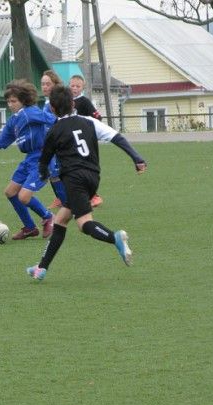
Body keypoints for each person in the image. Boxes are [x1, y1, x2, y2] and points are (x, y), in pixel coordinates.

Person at [27, 85, 147, 282]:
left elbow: (44, 160)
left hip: (74, 180)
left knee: (84, 224)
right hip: (93, 178)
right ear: (73, 104)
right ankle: (41, 268)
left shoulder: (54, 131)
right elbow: (116, 137)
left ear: (52, 109)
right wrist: (137, 158)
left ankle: (115, 237)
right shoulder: (89, 122)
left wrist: (42, 174)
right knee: (61, 220)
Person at [0, 80, 54, 240]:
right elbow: (0, 141)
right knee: (10, 192)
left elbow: (54, 120)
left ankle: (48, 217)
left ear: (24, 100)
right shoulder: (13, 120)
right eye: (8, 101)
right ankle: (30, 227)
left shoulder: (31, 112)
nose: (10, 105)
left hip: (42, 158)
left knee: (23, 196)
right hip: (29, 159)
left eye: (13, 101)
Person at [69, 74, 103, 208]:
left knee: (82, 167)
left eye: (78, 86)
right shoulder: (66, 101)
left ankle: (94, 196)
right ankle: (62, 197)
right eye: (72, 86)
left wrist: (87, 129)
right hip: (70, 139)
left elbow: (98, 117)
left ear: (82, 88)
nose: (74, 88)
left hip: (82, 140)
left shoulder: (84, 102)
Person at [40, 69, 67, 210]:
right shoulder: (47, 103)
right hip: (49, 146)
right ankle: (65, 203)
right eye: (42, 84)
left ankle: (70, 205)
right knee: (53, 174)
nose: (44, 87)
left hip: (58, 146)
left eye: (48, 84)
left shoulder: (56, 104)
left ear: (55, 85)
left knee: (56, 174)